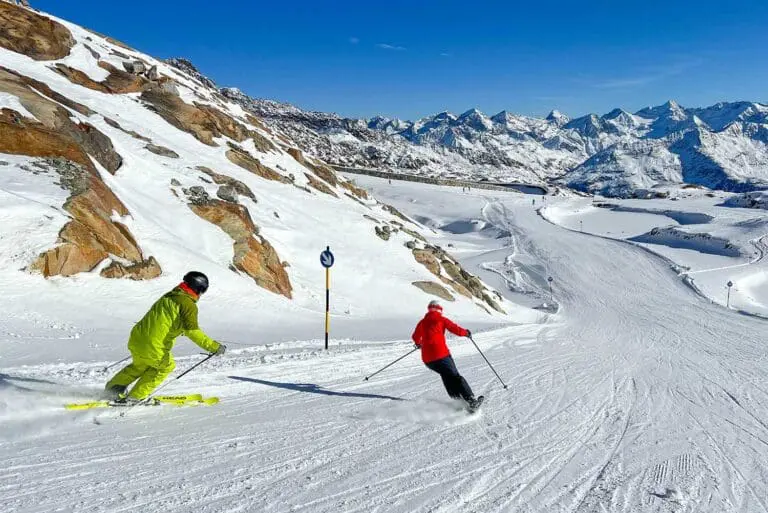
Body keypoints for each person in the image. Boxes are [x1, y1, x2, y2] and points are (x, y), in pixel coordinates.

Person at [105, 271, 226, 403]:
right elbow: (193, 332)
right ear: (199, 289)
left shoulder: (169, 296)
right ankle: (136, 397)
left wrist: (180, 330)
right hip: (153, 344)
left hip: (137, 338)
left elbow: (165, 321)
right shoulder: (188, 305)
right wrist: (214, 347)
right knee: (165, 366)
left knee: (140, 366)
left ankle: (112, 389)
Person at [411, 300, 481, 409]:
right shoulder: (441, 319)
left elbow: (415, 337)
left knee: (446, 376)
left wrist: (419, 343)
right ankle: (470, 400)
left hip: (428, 360)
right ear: (440, 309)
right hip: (441, 356)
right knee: (455, 376)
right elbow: (456, 329)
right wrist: (466, 333)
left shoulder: (422, 322)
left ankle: (457, 402)